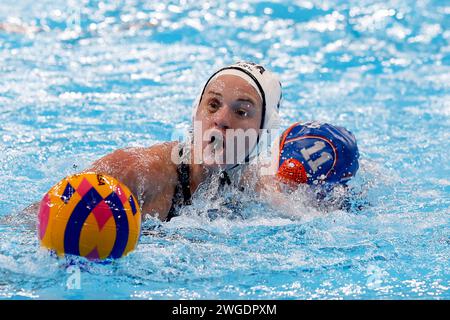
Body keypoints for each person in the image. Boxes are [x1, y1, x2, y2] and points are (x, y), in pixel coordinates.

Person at [80, 61, 283, 221]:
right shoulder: (139, 173)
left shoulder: (259, 187)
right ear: (196, 112)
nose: (220, 120)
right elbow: (61, 208)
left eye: (241, 112)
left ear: (263, 131)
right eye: (213, 105)